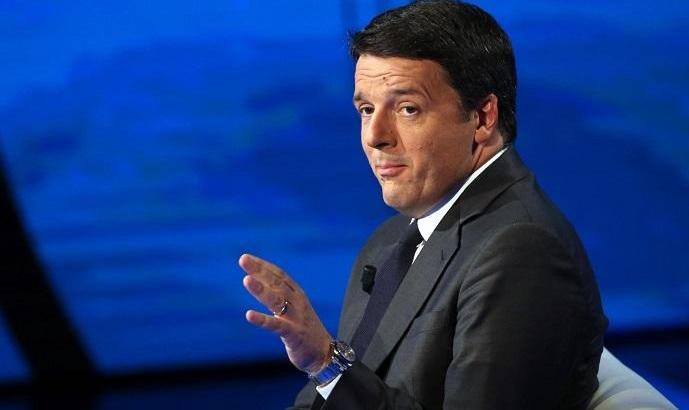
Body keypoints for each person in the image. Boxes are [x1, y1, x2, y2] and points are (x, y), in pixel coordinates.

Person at [239, 1, 608, 408]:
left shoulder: (522, 250)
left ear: (482, 118)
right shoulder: (389, 243)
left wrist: (326, 362)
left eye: (407, 109)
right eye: (366, 109)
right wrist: (323, 365)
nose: (375, 135)